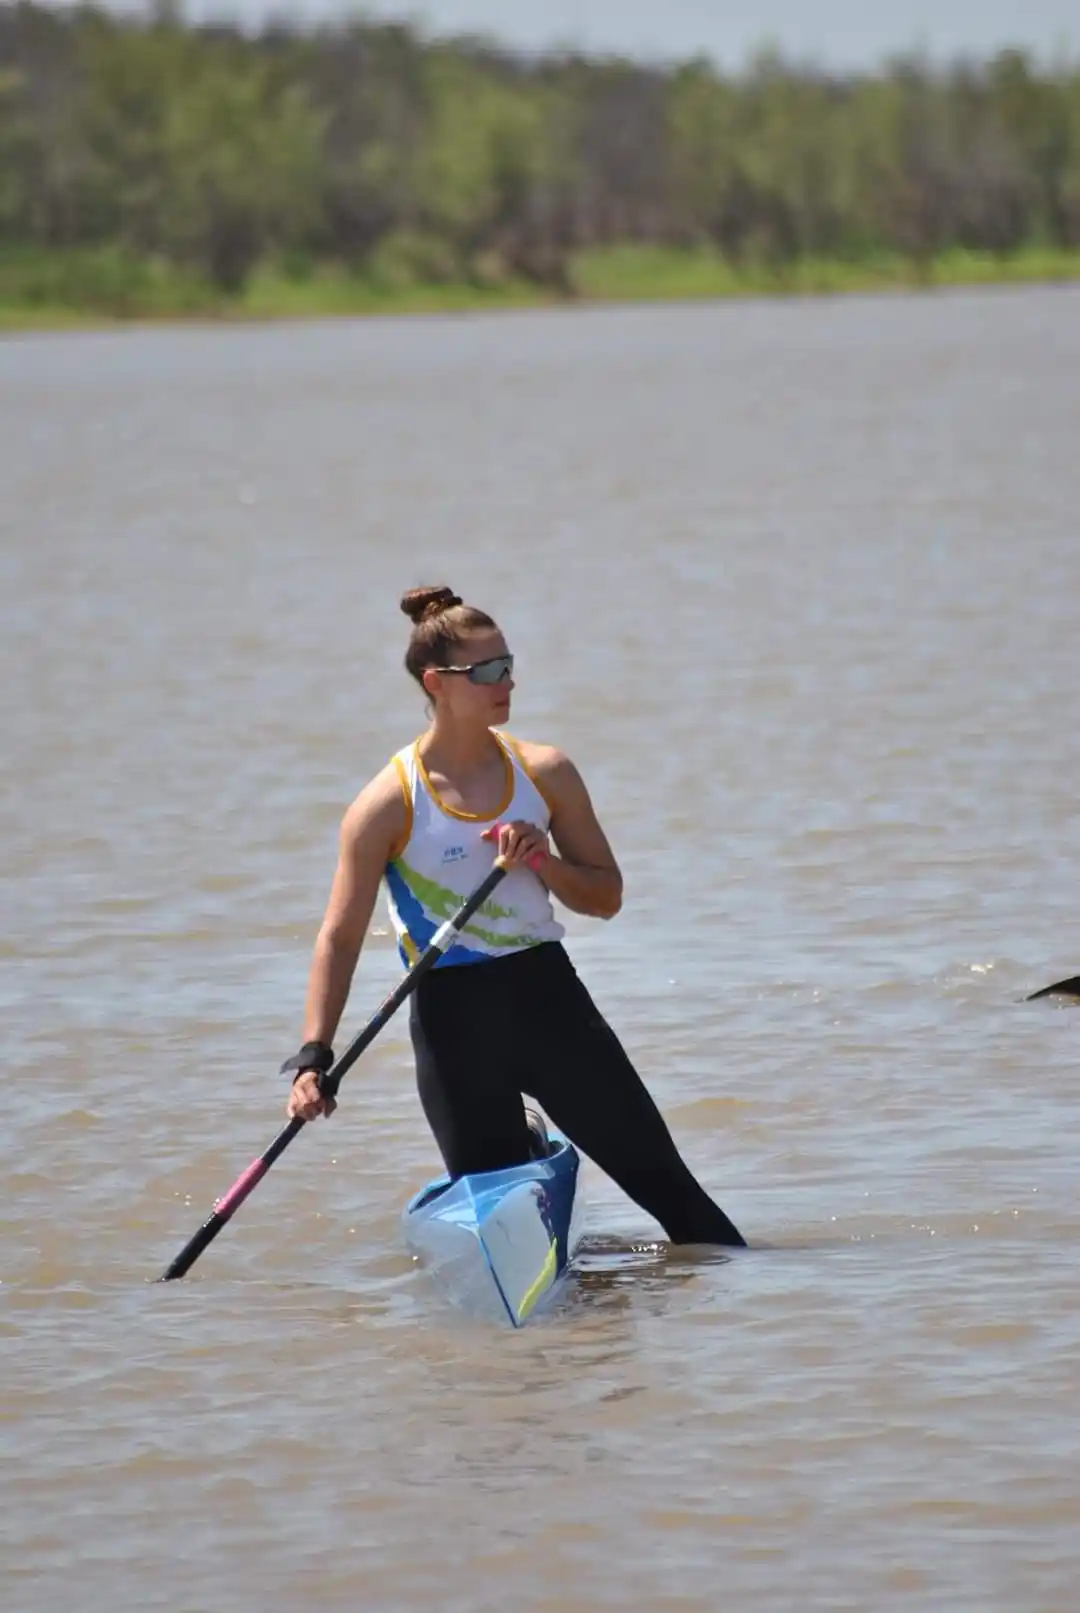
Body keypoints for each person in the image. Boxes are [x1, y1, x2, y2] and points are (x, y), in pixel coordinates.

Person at [282, 585, 745, 1248]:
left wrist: (544, 864)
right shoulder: (387, 805)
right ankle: (525, 1161)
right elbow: (340, 935)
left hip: (551, 1005)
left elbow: (605, 896)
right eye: (489, 671)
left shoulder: (545, 772)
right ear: (436, 682)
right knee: (507, 1243)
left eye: (509, 665)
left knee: (686, 1209)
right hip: (451, 1027)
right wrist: (313, 1056)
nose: (508, 683)